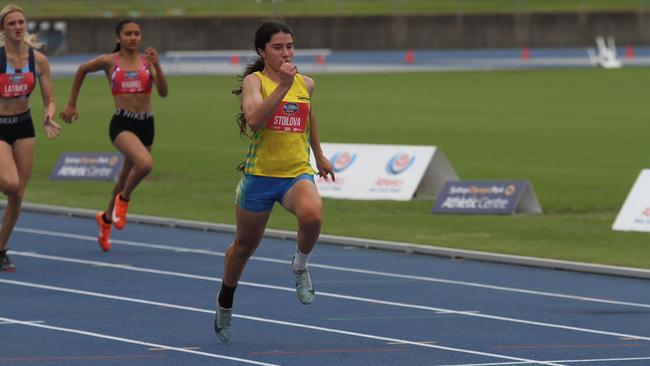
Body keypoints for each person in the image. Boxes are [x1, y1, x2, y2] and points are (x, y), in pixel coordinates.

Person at [214, 20, 334, 342]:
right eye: (278, 47)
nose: (285, 52)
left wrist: (319, 155)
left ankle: (299, 265)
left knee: (313, 215)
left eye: (290, 46)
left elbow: (308, 115)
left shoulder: (305, 83)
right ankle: (226, 299)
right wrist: (281, 85)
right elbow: (253, 120)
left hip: (295, 173)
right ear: (261, 51)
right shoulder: (256, 82)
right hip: (260, 177)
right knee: (244, 246)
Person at [60, 19, 168, 252]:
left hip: (147, 124)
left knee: (124, 176)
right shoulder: (110, 62)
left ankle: (106, 219)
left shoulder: (146, 61)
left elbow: (164, 93)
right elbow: (82, 70)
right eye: (128, 33)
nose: (133, 37)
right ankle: (124, 200)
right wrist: (71, 104)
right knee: (145, 164)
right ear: (118, 38)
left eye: (137, 33)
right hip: (122, 123)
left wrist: (157, 67)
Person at [0, 4, 60, 272]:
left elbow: (49, 99)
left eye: (21, 22)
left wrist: (49, 115)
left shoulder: (39, 60)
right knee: (10, 184)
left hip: (24, 127)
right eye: (11, 23)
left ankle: (0, 250)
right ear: (3, 29)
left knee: (18, 195)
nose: (17, 27)